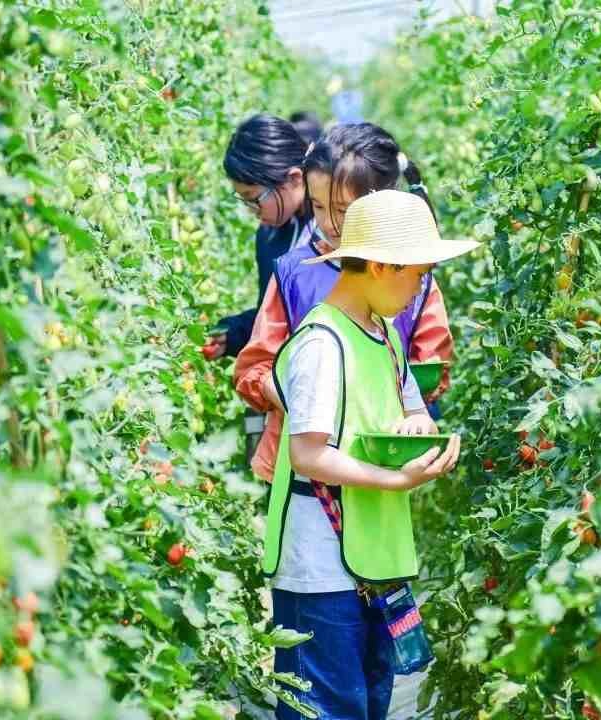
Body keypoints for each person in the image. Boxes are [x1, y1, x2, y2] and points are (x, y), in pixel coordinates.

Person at [263, 189, 477, 720]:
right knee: (326, 708)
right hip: (321, 572)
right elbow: (308, 455)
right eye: (417, 275)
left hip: (371, 563)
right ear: (380, 266)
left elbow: (415, 410)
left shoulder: (384, 336)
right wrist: (397, 480)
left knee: (367, 702)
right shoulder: (322, 344)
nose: (421, 289)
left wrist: (419, 431)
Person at [235, 123, 455, 483]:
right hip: (300, 468)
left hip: (383, 461)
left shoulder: (415, 279)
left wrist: (412, 412)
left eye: (343, 209)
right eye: (318, 206)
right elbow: (254, 368)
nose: (330, 223)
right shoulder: (294, 273)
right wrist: (305, 399)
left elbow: (428, 367)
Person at [209, 114, 313, 361]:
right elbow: (272, 316)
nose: (252, 210)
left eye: (254, 199)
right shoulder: (269, 237)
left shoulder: (332, 233)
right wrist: (232, 334)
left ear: (294, 179)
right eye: (244, 200)